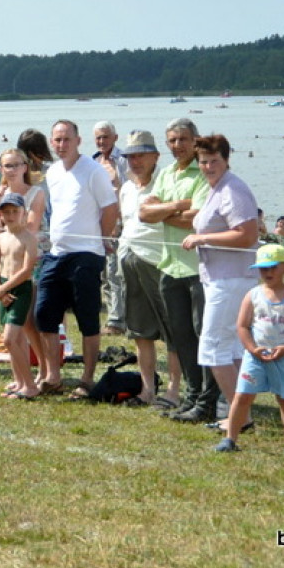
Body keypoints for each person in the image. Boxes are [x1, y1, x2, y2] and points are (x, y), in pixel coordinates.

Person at [139, 118, 219, 423]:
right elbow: (145, 213)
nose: (177, 146)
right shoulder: (166, 174)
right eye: (171, 140)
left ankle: (210, 399)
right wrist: (177, 206)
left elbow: (196, 220)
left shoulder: (205, 172)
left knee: (203, 334)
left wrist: (165, 211)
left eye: (183, 139)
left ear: (195, 140)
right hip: (170, 267)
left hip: (198, 268)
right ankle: (193, 394)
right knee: (181, 336)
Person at [34, 120, 119, 398]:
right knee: (44, 314)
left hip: (86, 254)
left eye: (66, 139)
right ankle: (52, 375)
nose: (61, 145)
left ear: (78, 140)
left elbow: (110, 208)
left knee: (87, 319)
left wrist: (102, 241)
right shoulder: (53, 172)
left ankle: (87, 379)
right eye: (57, 140)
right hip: (57, 253)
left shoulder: (93, 171)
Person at [181, 134, 259, 428]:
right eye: (203, 161)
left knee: (212, 349)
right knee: (231, 348)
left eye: (215, 161)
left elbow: (247, 235)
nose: (208, 166)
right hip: (220, 279)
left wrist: (202, 238)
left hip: (232, 280)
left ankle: (239, 417)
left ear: (226, 160)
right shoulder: (215, 188)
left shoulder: (233, 189)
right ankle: (242, 415)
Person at [213, 244, 284, 458]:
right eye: (263, 268)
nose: (268, 272)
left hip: (283, 359)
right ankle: (230, 438)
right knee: (242, 397)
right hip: (254, 358)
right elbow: (242, 326)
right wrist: (252, 349)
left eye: (273, 267)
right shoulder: (253, 295)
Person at [117, 130, 181, 408]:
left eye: (141, 155)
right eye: (131, 156)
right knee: (140, 331)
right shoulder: (127, 188)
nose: (135, 161)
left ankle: (175, 390)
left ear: (156, 156)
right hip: (130, 261)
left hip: (159, 263)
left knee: (173, 331)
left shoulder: (166, 183)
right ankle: (147, 390)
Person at [0, 148, 48, 390]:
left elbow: (31, 227)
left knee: (31, 322)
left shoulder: (36, 193)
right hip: (6, 260)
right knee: (17, 325)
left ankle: (44, 370)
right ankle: (21, 377)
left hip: (33, 260)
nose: (11, 170)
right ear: (1, 170)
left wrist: (12, 213)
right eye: (6, 166)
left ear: (25, 167)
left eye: (15, 165)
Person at [0, 192, 40, 399]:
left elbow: (27, 270)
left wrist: (4, 288)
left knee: (9, 339)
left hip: (20, 289)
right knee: (16, 340)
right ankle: (19, 381)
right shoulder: (0, 238)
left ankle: (30, 384)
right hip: (3, 288)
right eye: (6, 212)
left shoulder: (29, 238)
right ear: (0, 215)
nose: (10, 216)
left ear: (23, 213)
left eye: (15, 212)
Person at [92, 121, 128, 335]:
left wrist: (117, 222)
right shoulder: (93, 161)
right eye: (98, 137)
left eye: (105, 137)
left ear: (115, 137)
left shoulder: (123, 161)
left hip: (118, 224)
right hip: (97, 225)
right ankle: (111, 315)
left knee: (115, 272)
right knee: (104, 274)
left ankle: (116, 321)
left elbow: (126, 191)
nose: (102, 141)